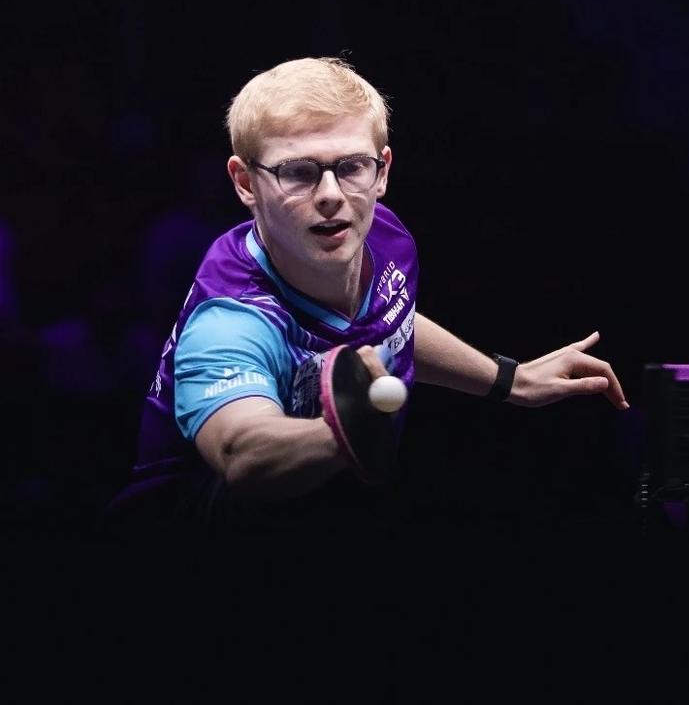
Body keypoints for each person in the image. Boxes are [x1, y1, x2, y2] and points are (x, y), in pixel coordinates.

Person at [105, 57, 628, 535]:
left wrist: (510, 379)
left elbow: (389, 319)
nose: (332, 195)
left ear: (382, 171)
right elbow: (243, 452)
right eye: (298, 172)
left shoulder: (385, 238)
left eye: (352, 166)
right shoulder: (230, 320)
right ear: (245, 183)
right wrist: (342, 432)